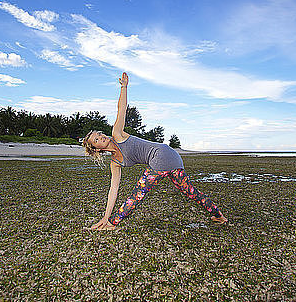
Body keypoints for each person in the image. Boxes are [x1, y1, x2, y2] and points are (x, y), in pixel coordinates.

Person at [82, 72, 228, 231]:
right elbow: (113, 190)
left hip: (162, 155)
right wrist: (105, 214)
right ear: (96, 149)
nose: (101, 137)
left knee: (138, 193)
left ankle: (112, 224)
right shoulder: (115, 163)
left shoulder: (117, 134)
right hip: (172, 157)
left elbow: (121, 109)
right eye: (96, 139)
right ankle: (218, 215)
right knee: (189, 190)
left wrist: (124, 87)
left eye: (100, 134)